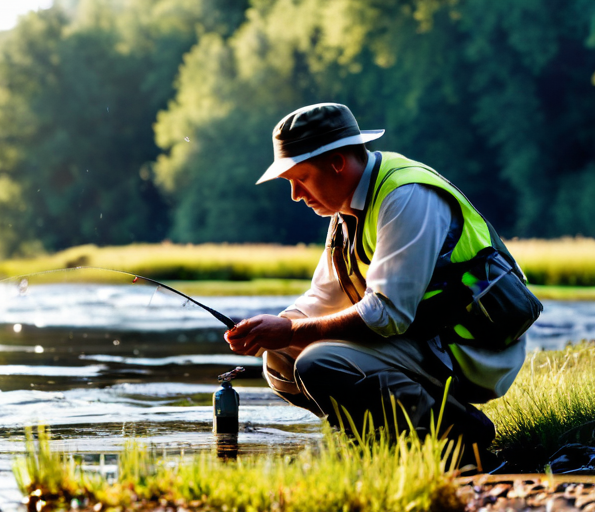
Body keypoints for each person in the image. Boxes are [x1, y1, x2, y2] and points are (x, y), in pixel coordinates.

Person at [225, 103, 541, 462]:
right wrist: (275, 329)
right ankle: (385, 446)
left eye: (301, 178)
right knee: (279, 358)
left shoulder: (405, 196)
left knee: (319, 362)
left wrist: (291, 331)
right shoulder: (347, 207)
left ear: (337, 162)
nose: (296, 194)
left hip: (471, 351)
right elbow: (324, 297)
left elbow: (387, 314)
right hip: (426, 341)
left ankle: (457, 436)